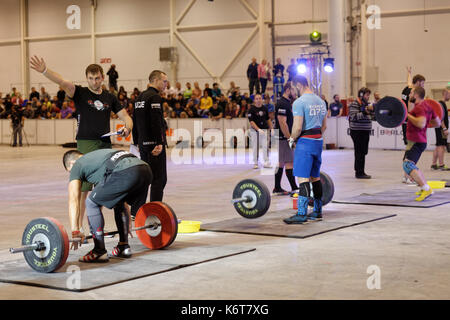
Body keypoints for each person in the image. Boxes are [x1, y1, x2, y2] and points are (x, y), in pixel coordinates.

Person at [30, 55, 133, 232]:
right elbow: (62, 81)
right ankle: (78, 227)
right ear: (87, 79)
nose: (94, 81)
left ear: (102, 78)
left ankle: (95, 225)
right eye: (91, 78)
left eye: (97, 78)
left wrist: (127, 128)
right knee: (84, 189)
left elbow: (126, 117)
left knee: (102, 187)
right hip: (86, 143)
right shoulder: (80, 93)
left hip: (105, 145)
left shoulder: (110, 97)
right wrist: (45, 71)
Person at [63, 149, 152, 262]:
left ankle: (99, 251)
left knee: (91, 203)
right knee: (118, 201)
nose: (72, 175)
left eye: (70, 172)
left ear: (71, 163)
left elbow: (74, 200)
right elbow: (119, 193)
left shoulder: (77, 165)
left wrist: (75, 230)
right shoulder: (96, 158)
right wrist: (127, 219)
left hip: (125, 172)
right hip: (145, 169)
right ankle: (123, 247)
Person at [284, 75, 327, 224]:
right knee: (315, 177)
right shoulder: (321, 101)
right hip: (318, 141)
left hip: (305, 142)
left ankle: (301, 214)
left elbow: (297, 127)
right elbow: (324, 126)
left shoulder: (299, 103)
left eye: (293, 88)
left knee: (303, 178)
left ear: (298, 85)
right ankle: (317, 211)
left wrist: (292, 139)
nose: (292, 92)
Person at [133, 70, 168, 207]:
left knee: (145, 178)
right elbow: (156, 122)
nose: (166, 84)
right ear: (155, 80)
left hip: (143, 144)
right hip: (154, 146)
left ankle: (137, 210)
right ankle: (155, 209)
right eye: (164, 81)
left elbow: (135, 120)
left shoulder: (139, 98)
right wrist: (159, 142)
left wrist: (136, 141)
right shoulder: (154, 97)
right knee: (159, 179)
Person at [403, 87, 440, 201]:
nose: (409, 94)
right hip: (419, 140)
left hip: (416, 141)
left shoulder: (419, 107)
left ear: (416, 95)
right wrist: (424, 124)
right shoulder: (428, 106)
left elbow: (421, 123)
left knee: (408, 166)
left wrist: (407, 115)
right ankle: (422, 187)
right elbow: (437, 123)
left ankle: (426, 188)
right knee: (410, 164)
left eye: (412, 92)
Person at [273, 82, 298, 195]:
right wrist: (290, 139)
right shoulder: (282, 103)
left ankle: (277, 188)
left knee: (282, 162)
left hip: (283, 136)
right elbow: (282, 123)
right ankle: (294, 188)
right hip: (283, 137)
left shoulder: (287, 103)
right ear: (288, 90)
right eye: (293, 90)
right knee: (289, 162)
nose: (295, 92)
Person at [348, 87, 374, 179]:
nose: (368, 97)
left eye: (368, 95)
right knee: (359, 152)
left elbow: (372, 117)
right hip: (357, 131)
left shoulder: (367, 104)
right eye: (367, 95)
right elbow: (353, 116)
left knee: (363, 151)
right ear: (361, 95)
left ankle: (360, 171)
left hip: (365, 131)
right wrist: (365, 112)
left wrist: (372, 112)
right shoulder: (354, 104)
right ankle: (359, 172)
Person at [247, 94, 273, 169]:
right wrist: (258, 129)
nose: (258, 100)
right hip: (255, 131)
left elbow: (268, 119)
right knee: (255, 146)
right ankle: (255, 162)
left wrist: (272, 128)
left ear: (262, 99)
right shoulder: (251, 109)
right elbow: (251, 122)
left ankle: (266, 161)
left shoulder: (265, 108)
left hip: (264, 130)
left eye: (260, 98)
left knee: (266, 146)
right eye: (257, 99)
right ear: (254, 100)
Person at [431, 89, 449, 171]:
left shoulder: (440, 104)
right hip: (441, 128)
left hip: (438, 127)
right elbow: (440, 117)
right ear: (445, 94)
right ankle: (441, 165)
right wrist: (444, 128)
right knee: (442, 146)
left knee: (438, 145)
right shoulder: (441, 104)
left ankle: (434, 164)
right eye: (449, 94)